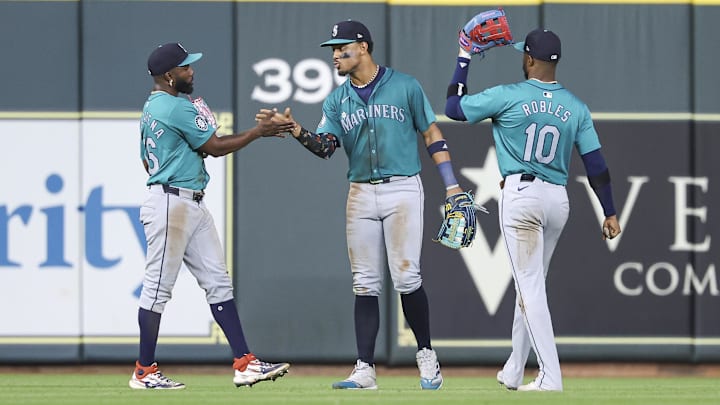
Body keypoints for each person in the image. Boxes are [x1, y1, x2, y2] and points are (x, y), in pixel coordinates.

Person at [280, 20, 468, 391]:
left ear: (363, 47)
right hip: (361, 191)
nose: (335, 55)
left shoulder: (404, 85)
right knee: (364, 283)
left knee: (407, 276)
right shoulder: (336, 99)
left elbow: (432, 133)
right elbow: (326, 147)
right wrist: (297, 131)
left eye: (342, 47)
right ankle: (364, 369)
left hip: (403, 188)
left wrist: (452, 185)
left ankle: (426, 356)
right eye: (333, 49)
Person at [445, 28, 621, 391]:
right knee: (531, 284)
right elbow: (597, 166)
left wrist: (464, 58)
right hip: (557, 199)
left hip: (522, 196)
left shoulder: (509, 95)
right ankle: (514, 368)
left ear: (528, 59)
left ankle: (549, 376)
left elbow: (453, 109)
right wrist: (610, 211)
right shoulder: (575, 106)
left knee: (530, 289)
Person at [130, 42, 294, 389]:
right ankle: (144, 371)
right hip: (172, 203)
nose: (192, 71)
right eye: (185, 67)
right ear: (169, 75)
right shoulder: (172, 106)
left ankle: (245, 363)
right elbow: (215, 148)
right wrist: (257, 133)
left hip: (189, 201)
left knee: (218, 282)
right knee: (157, 289)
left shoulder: (155, 105)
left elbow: (146, 160)